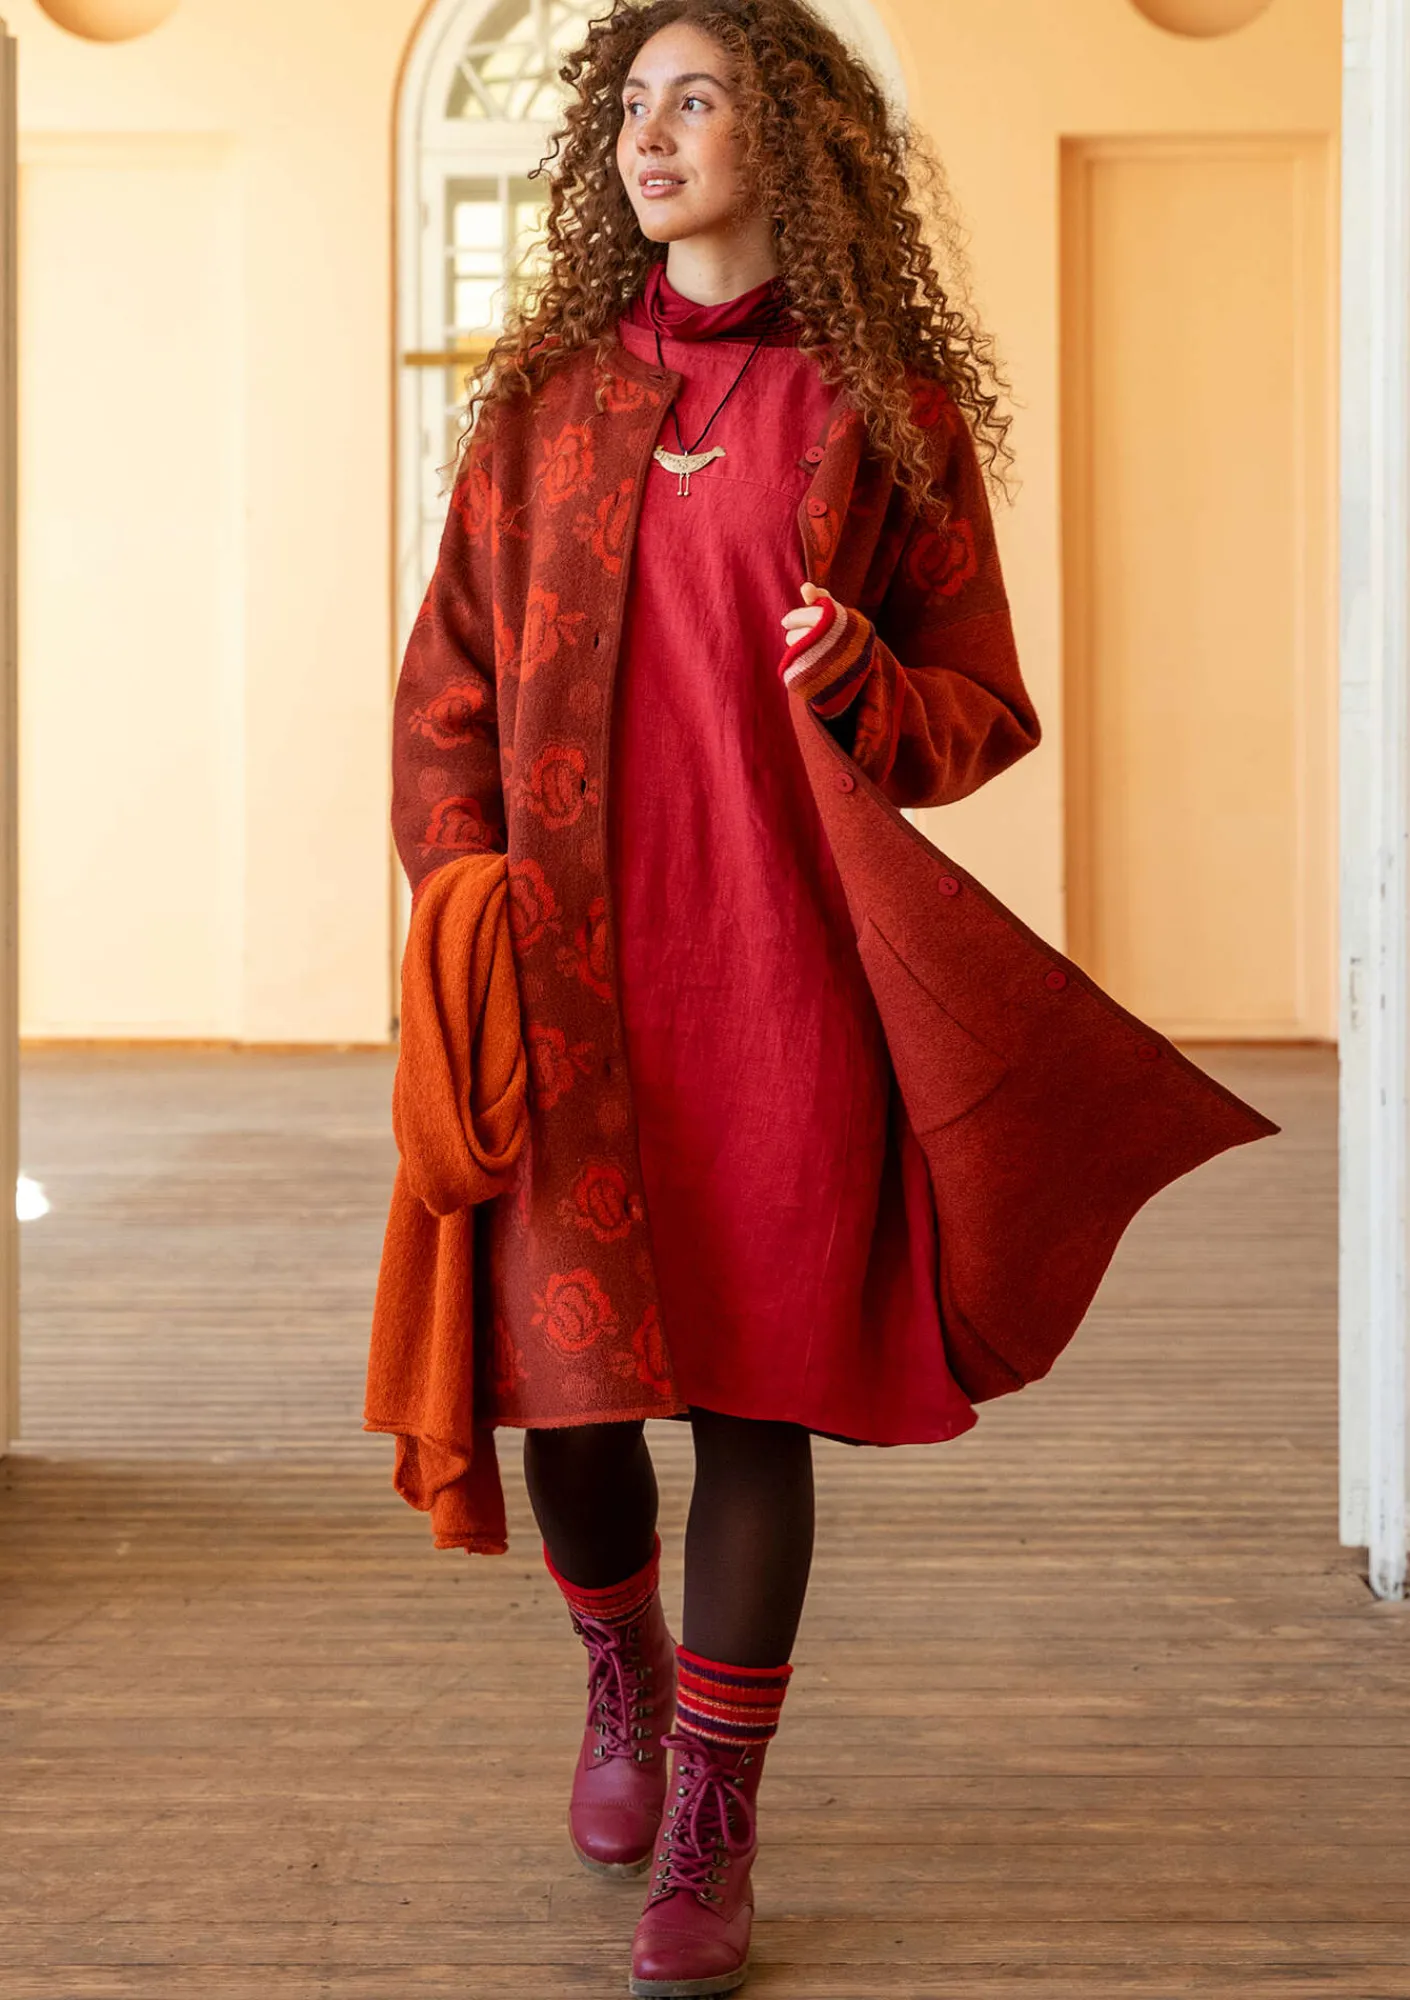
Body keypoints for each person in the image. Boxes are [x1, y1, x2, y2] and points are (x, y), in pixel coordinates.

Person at [389, 1, 1042, 1991]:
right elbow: (444, 693)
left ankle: (714, 1817)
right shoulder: (541, 408)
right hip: (564, 979)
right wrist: (464, 905)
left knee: (760, 1402)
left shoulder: (885, 411)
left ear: (796, 141)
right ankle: (623, 1670)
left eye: (700, 99)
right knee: (567, 1396)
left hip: (784, 980)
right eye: (632, 104)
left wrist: (866, 681)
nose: (650, 134)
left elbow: (975, 708)